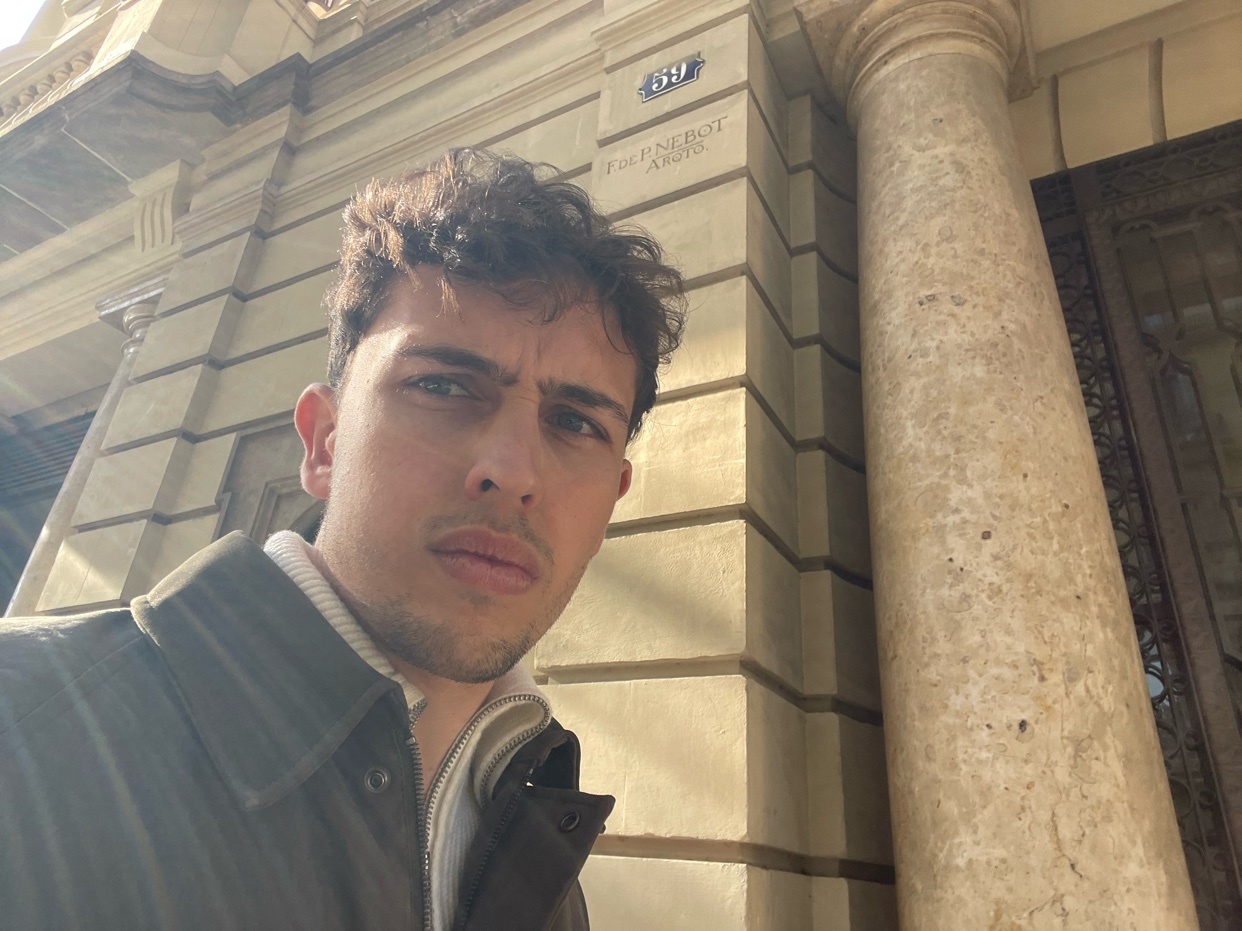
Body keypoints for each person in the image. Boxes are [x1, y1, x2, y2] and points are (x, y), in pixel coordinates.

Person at [0, 148, 686, 931]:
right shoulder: (25, 727)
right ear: (324, 442)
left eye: (575, 422)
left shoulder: (541, 852)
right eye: (442, 385)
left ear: (609, 505)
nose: (512, 472)